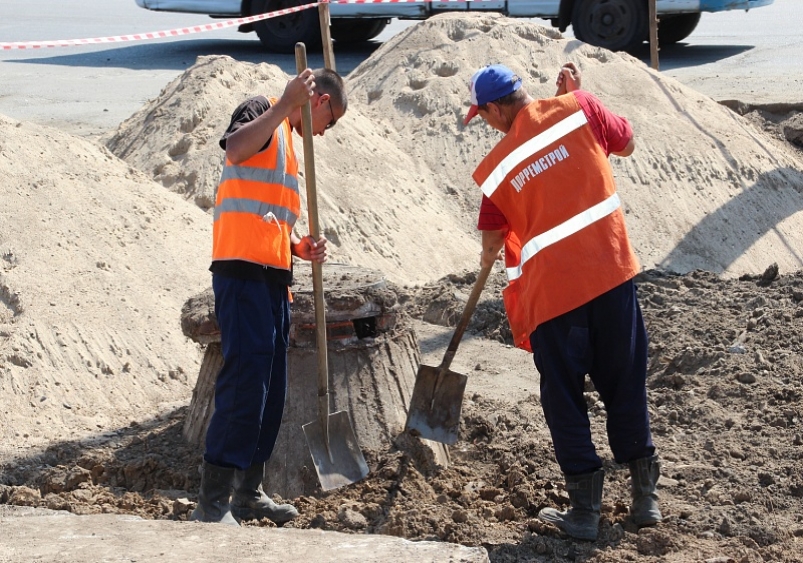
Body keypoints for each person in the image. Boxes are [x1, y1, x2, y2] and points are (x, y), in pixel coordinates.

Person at [464, 62, 661, 541]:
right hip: (612, 274)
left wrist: (491, 258)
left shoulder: (498, 167)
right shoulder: (581, 107)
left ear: (494, 108)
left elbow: (492, 244)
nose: (485, 124)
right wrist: (577, 98)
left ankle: (584, 512)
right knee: (625, 382)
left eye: (482, 115)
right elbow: (627, 143)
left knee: (564, 397)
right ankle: (645, 500)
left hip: (555, 297)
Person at [190, 67, 347, 526]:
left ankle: (248, 493)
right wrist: (283, 103)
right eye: (330, 120)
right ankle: (212, 503)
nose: (326, 131)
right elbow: (236, 150)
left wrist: (299, 246)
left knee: (270, 391)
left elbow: (271, 217)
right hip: (241, 272)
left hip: (275, 277)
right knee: (245, 385)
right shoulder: (263, 110)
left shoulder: (292, 147)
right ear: (318, 102)